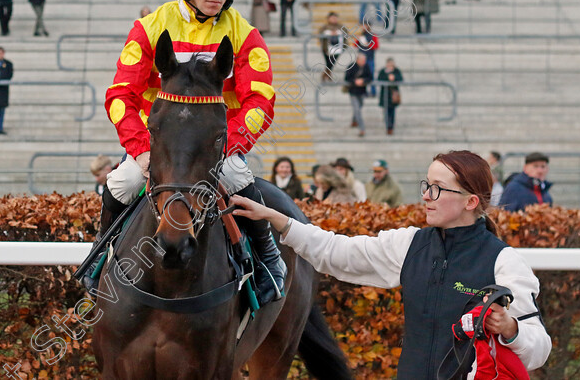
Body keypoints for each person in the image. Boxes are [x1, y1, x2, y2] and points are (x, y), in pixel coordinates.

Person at [87, 0, 285, 305]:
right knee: (123, 182)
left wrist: (228, 146)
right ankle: (100, 254)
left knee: (238, 177)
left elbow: (260, 101)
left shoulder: (246, 35)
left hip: (214, 148)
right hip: (157, 145)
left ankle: (269, 261)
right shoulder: (149, 28)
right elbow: (120, 96)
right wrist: (142, 151)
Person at [231, 150, 551, 378]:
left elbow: (539, 349)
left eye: (437, 188)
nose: (426, 195)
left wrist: (511, 329)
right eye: (426, 185)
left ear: (470, 202)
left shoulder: (505, 261)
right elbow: (335, 251)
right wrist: (276, 219)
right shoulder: (410, 243)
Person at [345, 53, 372, 137]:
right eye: (362, 60)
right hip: (353, 91)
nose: (364, 62)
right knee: (357, 109)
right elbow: (347, 78)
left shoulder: (366, 66)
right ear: (357, 60)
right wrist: (355, 81)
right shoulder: (351, 66)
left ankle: (354, 120)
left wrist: (363, 81)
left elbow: (370, 77)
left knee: (359, 107)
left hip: (362, 91)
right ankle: (362, 129)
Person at [377, 57, 403, 135]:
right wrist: (387, 77)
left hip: (393, 95)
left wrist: (394, 77)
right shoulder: (382, 71)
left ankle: (391, 127)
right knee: (386, 112)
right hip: (385, 95)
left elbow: (400, 78)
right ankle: (388, 126)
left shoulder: (396, 71)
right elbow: (379, 79)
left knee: (392, 112)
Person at [318, 12, 345, 80]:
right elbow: (320, 34)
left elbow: (346, 34)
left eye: (335, 18)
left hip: (338, 48)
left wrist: (338, 32)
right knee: (328, 62)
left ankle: (326, 74)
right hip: (326, 48)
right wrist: (329, 33)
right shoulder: (324, 27)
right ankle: (328, 74)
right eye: (332, 18)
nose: (334, 19)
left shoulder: (341, 27)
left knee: (332, 62)